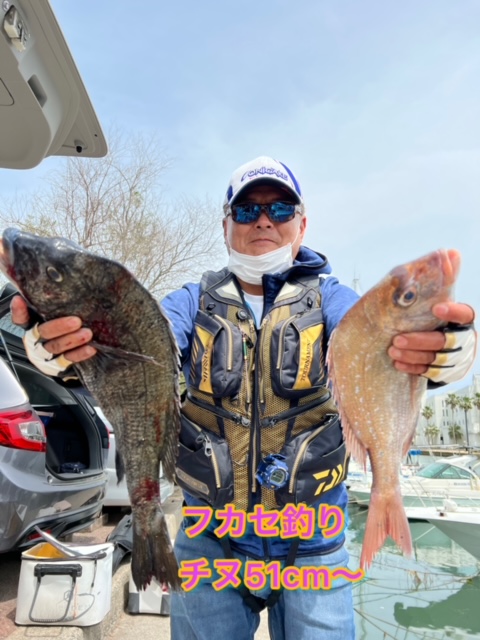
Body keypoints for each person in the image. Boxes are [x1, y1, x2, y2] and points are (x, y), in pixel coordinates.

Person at [11, 156, 477, 640]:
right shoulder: (190, 301)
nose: (263, 220)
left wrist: (446, 351)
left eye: (281, 208)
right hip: (209, 539)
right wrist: (68, 356)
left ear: (302, 224)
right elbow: (140, 349)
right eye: (247, 209)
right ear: (226, 225)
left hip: (315, 539)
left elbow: (375, 345)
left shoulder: (332, 299)